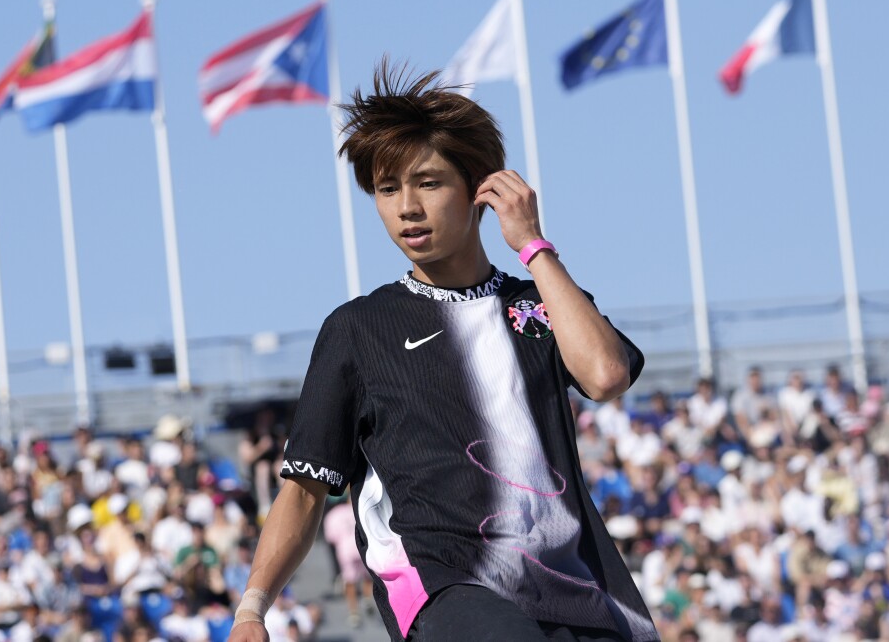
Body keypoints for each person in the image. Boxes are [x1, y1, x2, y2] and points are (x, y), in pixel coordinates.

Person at [228, 64, 655, 642]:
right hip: (444, 589)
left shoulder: (540, 301)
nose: (406, 207)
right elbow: (304, 488)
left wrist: (533, 245)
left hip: (573, 585)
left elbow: (606, 376)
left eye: (428, 183)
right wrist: (252, 609)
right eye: (386, 188)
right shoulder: (359, 328)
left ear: (480, 187)